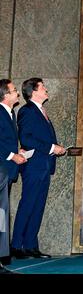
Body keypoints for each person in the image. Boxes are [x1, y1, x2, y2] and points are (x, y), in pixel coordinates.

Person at [11, 78, 66, 259]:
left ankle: (31, 246)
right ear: (33, 91)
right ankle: (16, 246)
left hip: (43, 166)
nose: (46, 89)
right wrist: (52, 148)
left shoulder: (42, 111)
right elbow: (26, 139)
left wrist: (55, 148)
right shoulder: (27, 111)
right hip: (34, 166)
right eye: (43, 86)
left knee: (38, 206)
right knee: (28, 204)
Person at [0, 79, 26, 273]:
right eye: (14, 90)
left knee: (1, 216)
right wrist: (12, 156)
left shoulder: (10, 113)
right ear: (5, 95)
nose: (17, 92)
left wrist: (18, 152)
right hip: (2, 169)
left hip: (6, 171)